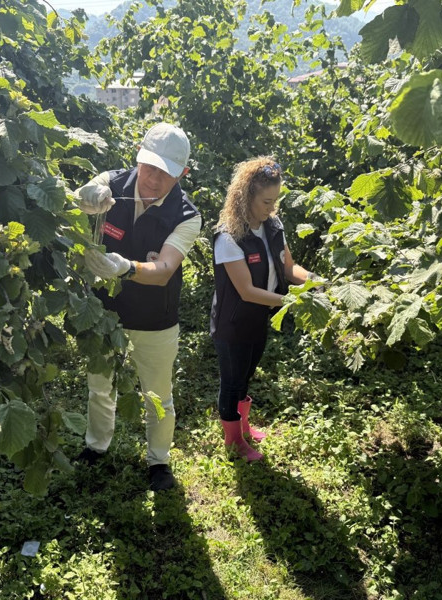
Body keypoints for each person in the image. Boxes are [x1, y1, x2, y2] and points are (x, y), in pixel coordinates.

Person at [76, 122, 201, 491]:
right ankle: (96, 447)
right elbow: (79, 200)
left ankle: (158, 460)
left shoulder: (186, 215)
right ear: (138, 156)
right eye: (149, 166)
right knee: (100, 385)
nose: (153, 178)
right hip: (103, 313)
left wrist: (126, 267)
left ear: (182, 174)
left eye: (166, 172)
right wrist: (82, 198)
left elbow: (163, 270)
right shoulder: (110, 184)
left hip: (154, 319)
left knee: (158, 394)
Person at [209, 157, 311, 461]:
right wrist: (292, 300)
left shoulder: (273, 226)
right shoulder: (229, 236)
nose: (271, 207)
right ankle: (234, 442)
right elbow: (247, 291)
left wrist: (318, 283)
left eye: (275, 200)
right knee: (232, 380)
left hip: (258, 319)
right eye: (266, 201)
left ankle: (243, 427)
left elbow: (290, 269)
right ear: (246, 195)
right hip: (232, 324)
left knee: (247, 374)